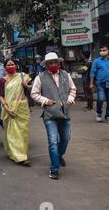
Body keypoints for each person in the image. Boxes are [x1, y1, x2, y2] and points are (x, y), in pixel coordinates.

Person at [31, 52, 76, 180]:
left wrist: (71, 98)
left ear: (59, 63)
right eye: (50, 63)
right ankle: (54, 168)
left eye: (55, 62)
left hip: (65, 113)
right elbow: (34, 94)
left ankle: (58, 156)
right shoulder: (40, 77)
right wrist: (45, 100)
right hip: (50, 114)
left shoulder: (66, 75)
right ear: (46, 65)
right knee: (52, 141)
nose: (53, 65)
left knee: (65, 138)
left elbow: (73, 89)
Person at [0, 58, 31, 166]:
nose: (11, 66)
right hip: (9, 109)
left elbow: (31, 87)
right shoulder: (2, 81)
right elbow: (1, 96)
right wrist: (7, 108)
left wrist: (27, 85)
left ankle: (19, 152)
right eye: (8, 65)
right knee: (13, 132)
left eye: (13, 64)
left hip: (22, 108)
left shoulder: (22, 76)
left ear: (16, 66)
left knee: (23, 132)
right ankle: (20, 156)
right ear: (5, 67)